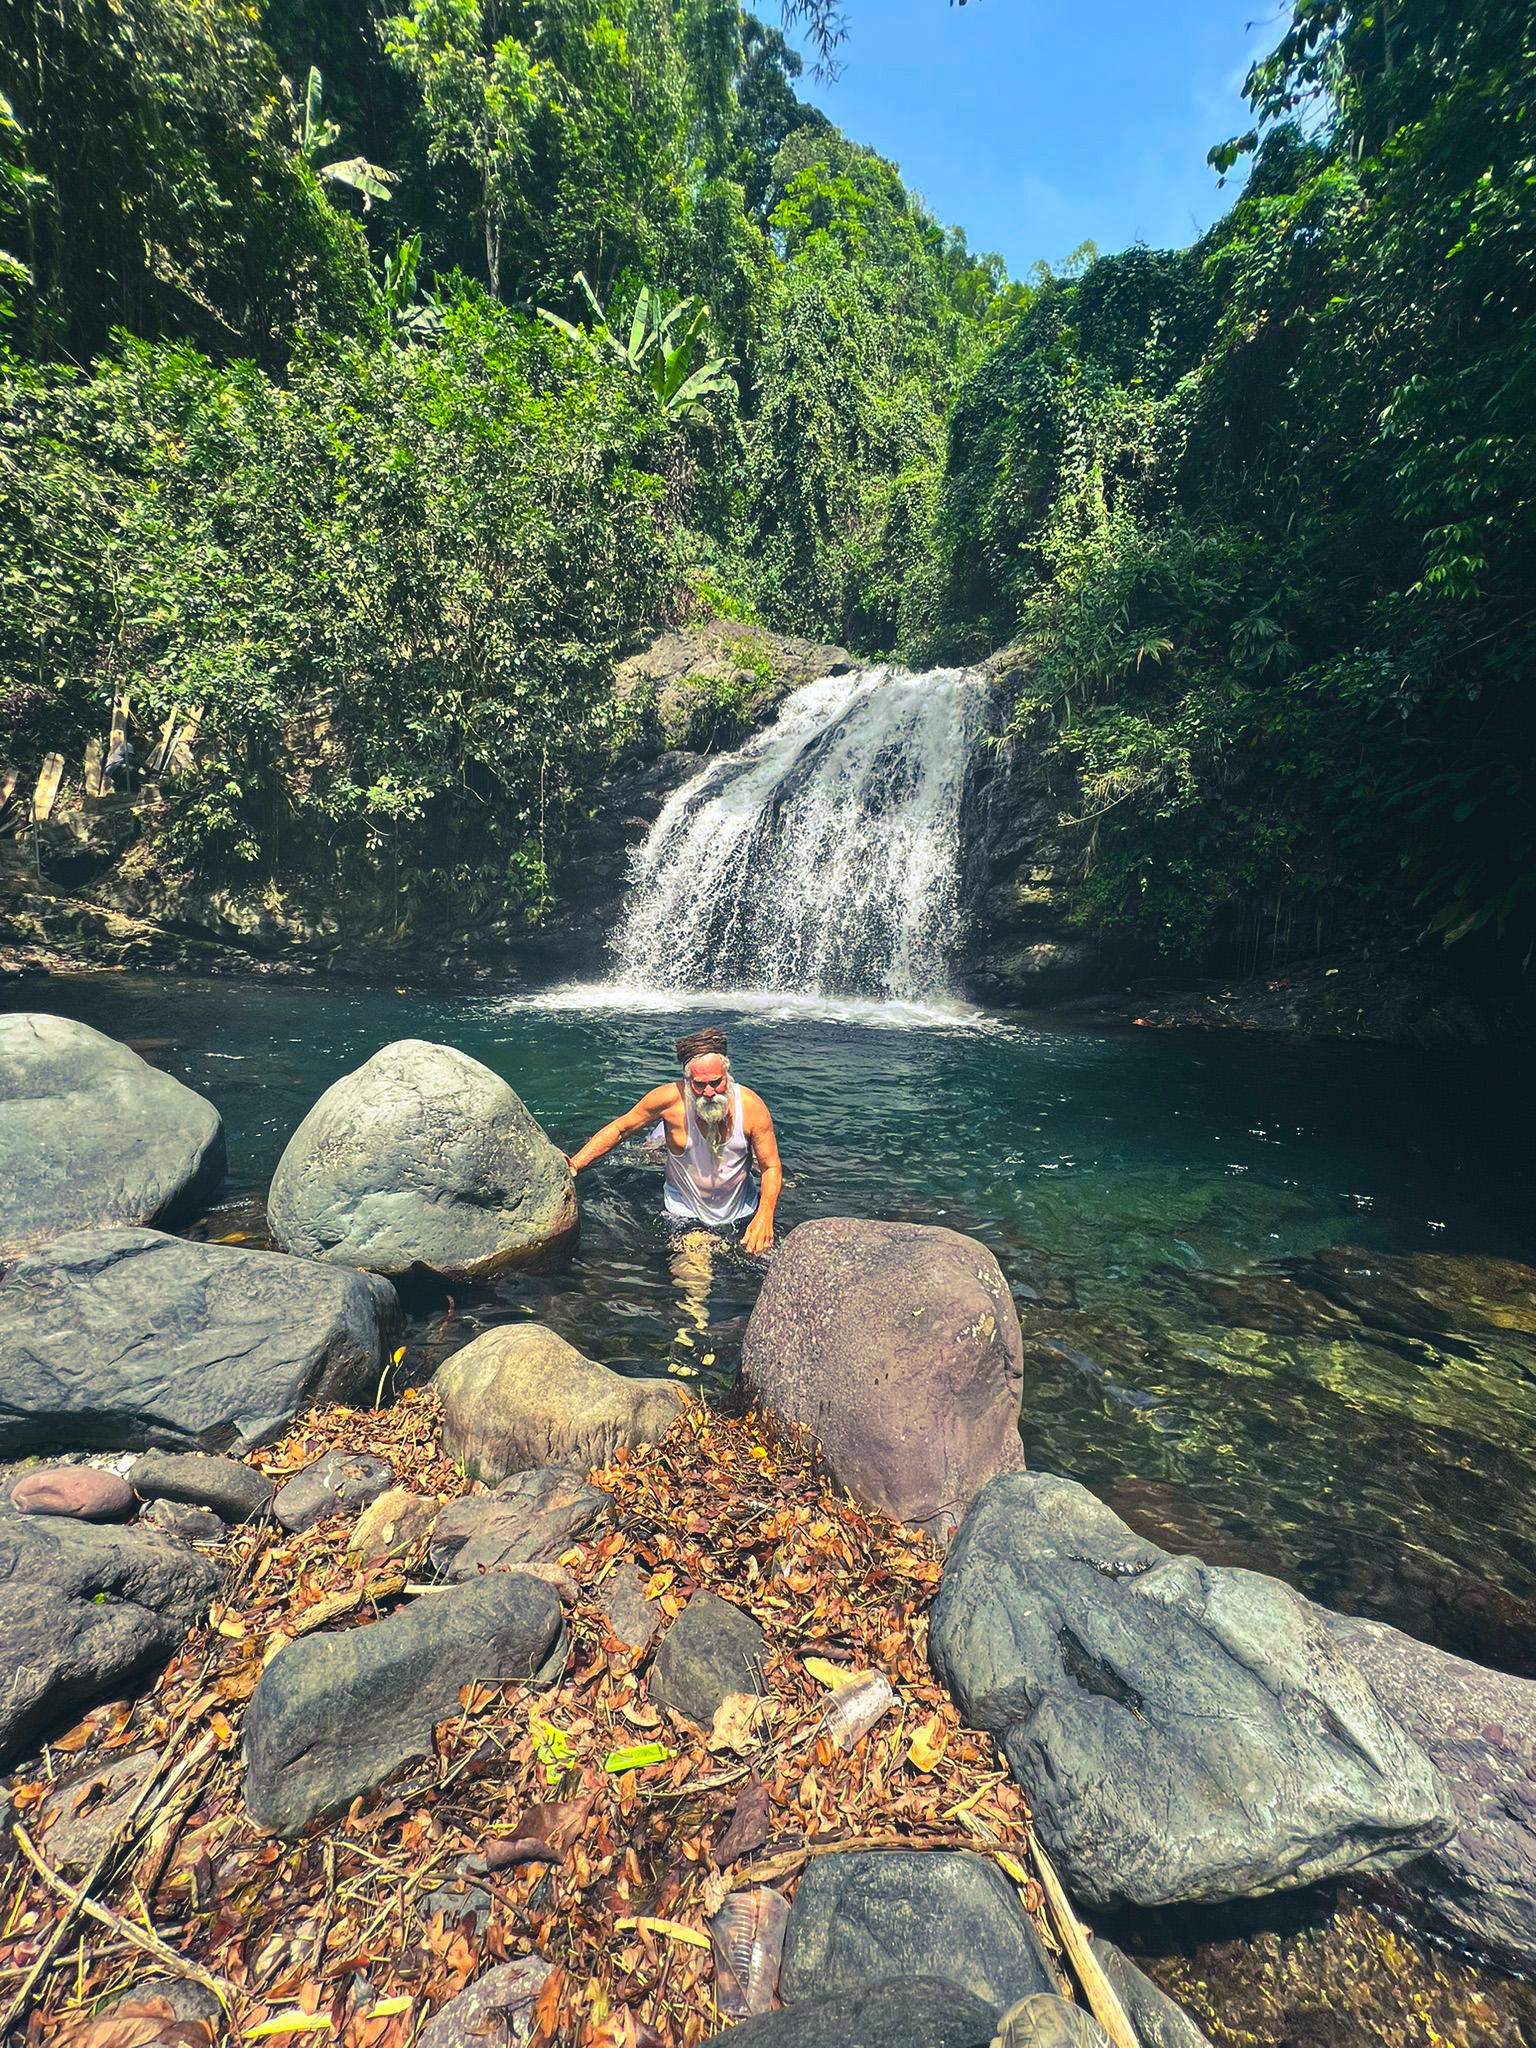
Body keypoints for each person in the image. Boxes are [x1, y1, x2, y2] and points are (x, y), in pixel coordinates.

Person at [566, 1027, 782, 1255]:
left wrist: (765, 1216)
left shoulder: (750, 1106)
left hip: (742, 1212)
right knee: (695, 1282)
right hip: (685, 1214)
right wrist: (576, 1164)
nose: (709, 1092)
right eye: (699, 1084)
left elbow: (771, 1166)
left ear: (727, 1075)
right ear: (687, 1080)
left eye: (716, 1082)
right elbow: (621, 1129)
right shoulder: (669, 1100)